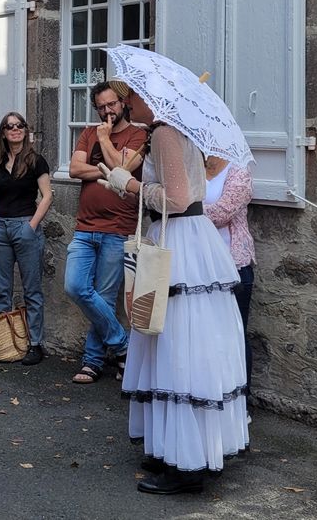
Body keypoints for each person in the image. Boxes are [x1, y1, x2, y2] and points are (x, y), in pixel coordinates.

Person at [98, 87, 249, 495]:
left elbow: (177, 199)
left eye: (137, 97)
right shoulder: (179, 131)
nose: (132, 104)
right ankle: (175, 447)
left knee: (175, 343)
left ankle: (185, 465)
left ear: (156, 100)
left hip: (179, 237)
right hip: (191, 239)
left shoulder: (165, 131)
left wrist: (127, 185)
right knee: (182, 340)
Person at [64, 82, 147, 385]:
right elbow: (75, 170)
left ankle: (93, 361)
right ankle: (123, 345)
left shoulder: (139, 135)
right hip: (86, 227)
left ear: (123, 103)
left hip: (118, 228)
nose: (106, 111)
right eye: (101, 107)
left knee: (104, 297)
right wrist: (109, 169)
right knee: (75, 286)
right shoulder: (88, 132)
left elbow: (124, 169)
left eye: (111, 105)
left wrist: (104, 147)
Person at [0, 112, 52, 366]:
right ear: (3, 132)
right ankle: (3, 342)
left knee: (31, 290)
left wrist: (32, 226)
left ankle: (34, 344)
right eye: (9, 126)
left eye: (19, 125)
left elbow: (47, 196)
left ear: (26, 129)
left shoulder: (36, 161)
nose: (15, 129)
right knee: (3, 289)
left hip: (25, 226)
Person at [204, 155, 256, 386]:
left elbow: (221, 213)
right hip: (200, 264)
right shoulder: (193, 169)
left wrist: (186, 210)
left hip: (233, 265)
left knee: (234, 335)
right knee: (205, 336)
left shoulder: (239, 173)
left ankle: (242, 400)